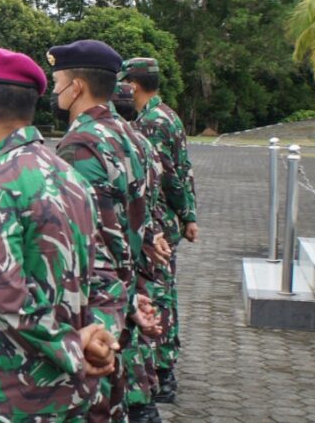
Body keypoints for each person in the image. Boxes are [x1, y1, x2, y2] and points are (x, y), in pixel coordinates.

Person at [0, 47, 118, 421]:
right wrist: (101, 338)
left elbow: (7, 298)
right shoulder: (69, 175)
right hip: (72, 393)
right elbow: (106, 273)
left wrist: (74, 347)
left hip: (8, 395)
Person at [47, 39, 157, 422]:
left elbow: (82, 239)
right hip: (125, 294)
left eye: (56, 80)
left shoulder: (79, 147)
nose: (53, 89)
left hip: (96, 309)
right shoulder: (133, 137)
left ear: (75, 87)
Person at [120, 58, 200, 405]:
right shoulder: (167, 114)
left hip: (159, 226)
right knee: (162, 293)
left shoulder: (151, 123)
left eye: (124, 83)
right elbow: (185, 170)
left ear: (134, 85)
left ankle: (164, 373)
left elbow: (169, 176)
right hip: (166, 222)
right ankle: (162, 369)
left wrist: (186, 214)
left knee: (159, 297)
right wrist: (189, 214)